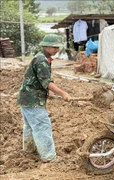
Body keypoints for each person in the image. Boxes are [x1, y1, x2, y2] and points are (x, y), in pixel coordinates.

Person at [17, 34, 70, 162]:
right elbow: (47, 82)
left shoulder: (42, 58)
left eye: (57, 47)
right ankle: (49, 157)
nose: (56, 50)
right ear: (45, 46)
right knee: (42, 125)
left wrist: (48, 92)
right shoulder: (42, 61)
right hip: (33, 99)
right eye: (54, 47)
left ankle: (29, 150)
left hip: (26, 98)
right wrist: (62, 93)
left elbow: (40, 80)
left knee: (30, 125)